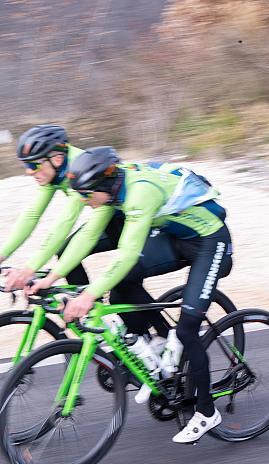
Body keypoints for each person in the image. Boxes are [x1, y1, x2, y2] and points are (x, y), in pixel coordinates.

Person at [29, 147, 233, 443]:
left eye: (87, 196)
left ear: (102, 187)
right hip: (176, 237)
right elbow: (85, 237)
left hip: (210, 242)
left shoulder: (139, 194)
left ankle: (206, 412)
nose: (85, 203)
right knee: (123, 282)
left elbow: (126, 254)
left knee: (188, 329)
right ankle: (151, 351)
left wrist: (87, 296)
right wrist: (50, 277)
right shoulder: (111, 191)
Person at [1, 125, 87, 289]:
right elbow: (32, 215)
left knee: (124, 286)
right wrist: (2, 254)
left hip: (136, 219)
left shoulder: (80, 170)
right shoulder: (54, 170)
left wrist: (29, 269)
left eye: (34, 165)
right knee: (65, 252)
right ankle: (87, 308)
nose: (29, 172)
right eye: (25, 165)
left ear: (57, 159)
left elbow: (64, 224)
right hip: (109, 215)